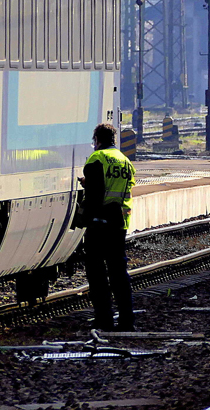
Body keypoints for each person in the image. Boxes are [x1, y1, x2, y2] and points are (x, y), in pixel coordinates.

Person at [79, 123, 136, 331]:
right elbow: (119, 190)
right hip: (119, 224)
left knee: (97, 274)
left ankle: (104, 319)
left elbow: (95, 194)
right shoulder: (125, 161)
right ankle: (127, 321)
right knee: (119, 274)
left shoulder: (97, 159)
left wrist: (83, 217)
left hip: (98, 224)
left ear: (97, 140)